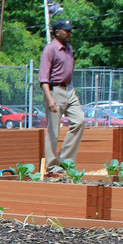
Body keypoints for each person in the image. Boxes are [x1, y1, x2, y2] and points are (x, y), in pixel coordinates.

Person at [39, 19, 85, 168]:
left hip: (69, 90)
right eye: (66, 30)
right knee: (54, 130)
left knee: (79, 121)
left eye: (70, 30)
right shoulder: (50, 49)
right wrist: (50, 98)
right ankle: (52, 166)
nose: (69, 33)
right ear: (57, 32)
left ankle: (65, 162)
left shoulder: (69, 48)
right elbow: (43, 78)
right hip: (55, 91)